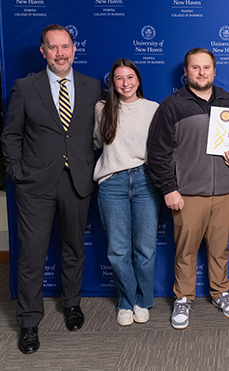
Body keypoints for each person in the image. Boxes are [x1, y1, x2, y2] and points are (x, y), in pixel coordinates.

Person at [1, 24, 102, 354]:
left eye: (66, 46)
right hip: (35, 185)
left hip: (77, 182)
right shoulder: (25, 87)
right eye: (53, 47)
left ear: (75, 50)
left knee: (74, 248)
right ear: (43, 51)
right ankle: (29, 321)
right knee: (31, 255)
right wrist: (18, 173)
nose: (60, 53)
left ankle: (72, 303)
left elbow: (102, 132)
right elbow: (11, 135)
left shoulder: (92, 86)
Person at [147, 47, 229, 329]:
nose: (201, 73)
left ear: (214, 71)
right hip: (187, 194)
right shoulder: (172, 105)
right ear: (186, 72)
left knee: (219, 248)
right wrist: (168, 189)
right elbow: (158, 153)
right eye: (195, 68)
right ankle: (183, 298)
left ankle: (221, 293)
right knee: (186, 250)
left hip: (225, 191)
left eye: (206, 67)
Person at [93, 58, 161, 326]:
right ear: (112, 82)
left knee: (145, 249)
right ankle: (125, 301)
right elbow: (97, 142)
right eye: (119, 78)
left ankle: (142, 301)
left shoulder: (153, 108)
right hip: (112, 183)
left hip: (145, 181)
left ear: (138, 80)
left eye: (130, 77)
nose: (125, 83)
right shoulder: (102, 108)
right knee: (118, 250)